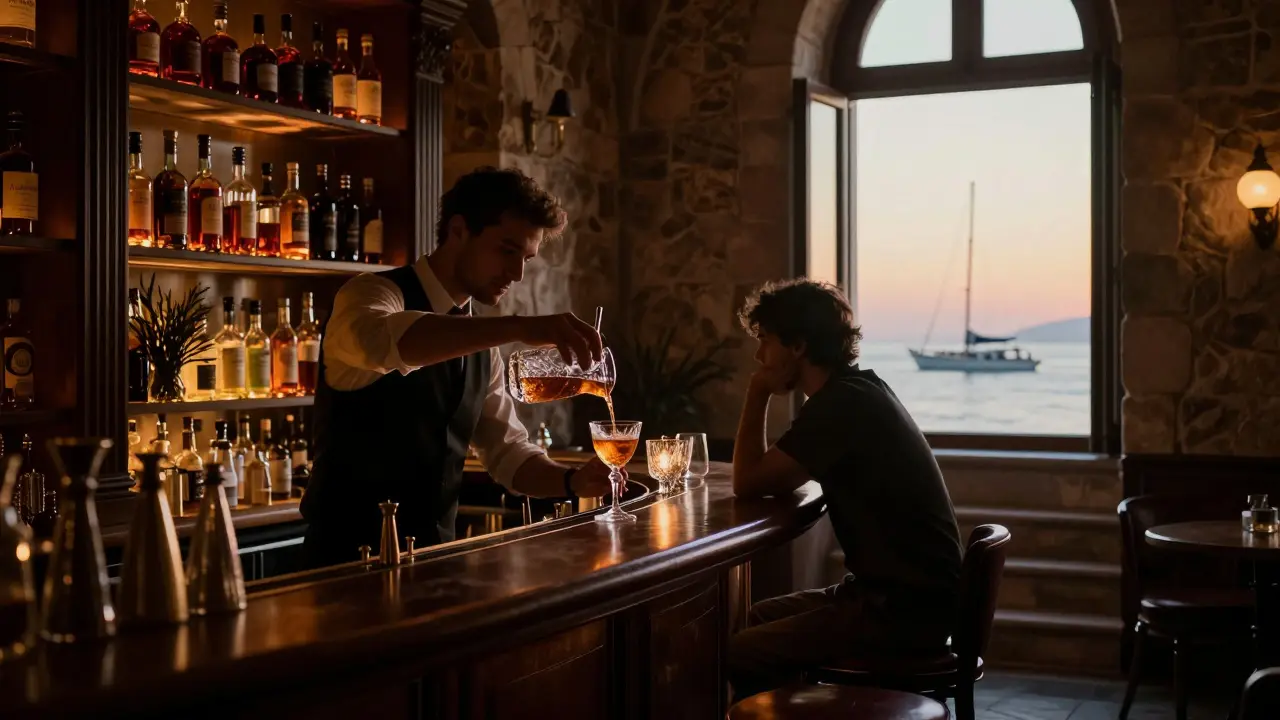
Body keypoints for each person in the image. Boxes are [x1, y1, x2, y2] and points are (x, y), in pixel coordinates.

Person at [301, 167, 615, 569]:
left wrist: (570, 482)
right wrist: (522, 326)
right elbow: (387, 343)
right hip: (343, 569)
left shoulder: (483, 346)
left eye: (526, 258)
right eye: (506, 250)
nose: (517, 274)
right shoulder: (370, 294)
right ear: (458, 230)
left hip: (434, 566)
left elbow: (507, 452)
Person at [727, 279, 963, 699]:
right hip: (911, 599)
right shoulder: (860, 389)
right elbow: (772, 475)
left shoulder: (840, 407)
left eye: (765, 341)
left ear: (797, 346)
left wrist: (758, 391)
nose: (760, 356)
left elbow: (747, 482)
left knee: (740, 651)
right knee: (758, 616)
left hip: (900, 612)